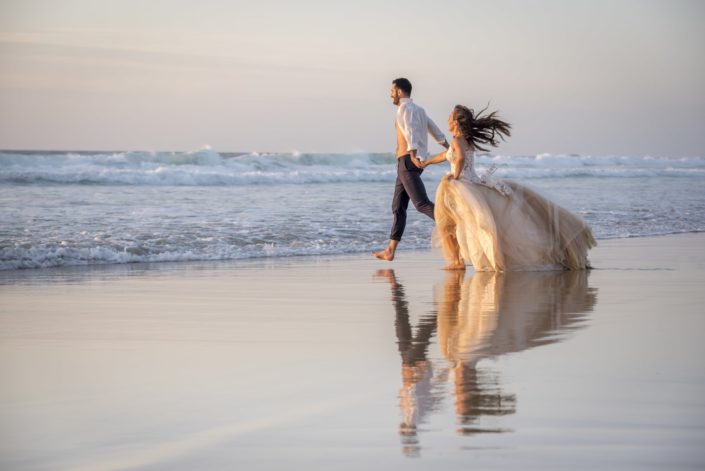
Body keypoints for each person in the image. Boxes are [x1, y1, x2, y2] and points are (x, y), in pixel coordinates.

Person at [420, 104, 596, 271]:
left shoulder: (457, 140)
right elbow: (447, 155)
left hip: (461, 186)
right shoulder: (464, 139)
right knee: (462, 224)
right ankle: (460, 260)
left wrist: (454, 176)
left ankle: (458, 261)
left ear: (456, 122)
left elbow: (459, 159)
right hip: (472, 184)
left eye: (450, 116)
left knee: (452, 224)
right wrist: (427, 162)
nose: (448, 118)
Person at [372, 78, 449, 262]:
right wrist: (448, 147)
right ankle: (390, 250)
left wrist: (413, 154)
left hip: (408, 161)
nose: (390, 93)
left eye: (392, 90)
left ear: (399, 92)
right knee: (398, 206)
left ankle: (452, 223)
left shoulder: (405, 109)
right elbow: (435, 130)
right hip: (404, 163)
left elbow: (411, 131)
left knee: (421, 204)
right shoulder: (420, 110)